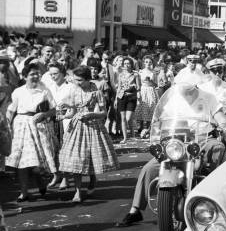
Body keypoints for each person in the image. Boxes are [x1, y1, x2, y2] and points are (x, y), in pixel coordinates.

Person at [116, 85, 226, 227]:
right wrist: (151, 128)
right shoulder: (174, 98)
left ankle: (220, 200)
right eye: (182, 88)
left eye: (189, 89)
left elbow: (221, 118)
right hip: (177, 142)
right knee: (149, 168)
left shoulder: (208, 97)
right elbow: (161, 118)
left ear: (195, 86)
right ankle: (135, 210)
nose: (185, 92)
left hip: (203, 139)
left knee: (218, 148)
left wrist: (224, 125)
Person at [59, 66, 118, 203]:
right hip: (77, 127)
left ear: (87, 79)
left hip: (93, 126)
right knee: (75, 159)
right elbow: (72, 110)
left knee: (90, 157)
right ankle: (78, 191)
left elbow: (103, 113)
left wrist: (92, 114)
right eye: (75, 79)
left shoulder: (96, 92)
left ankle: (92, 179)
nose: (77, 82)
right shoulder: (74, 91)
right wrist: (65, 115)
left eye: (79, 80)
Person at [5, 63, 58, 202]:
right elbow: (11, 109)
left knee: (37, 162)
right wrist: (7, 123)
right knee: (22, 162)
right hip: (21, 126)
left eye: (37, 74)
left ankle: (40, 181)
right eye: (32, 74)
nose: (35, 76)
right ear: (25, 76)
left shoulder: (44, 90)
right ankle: (24, 192)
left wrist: (44, 114)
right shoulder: (18, 91)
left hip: (38, 126)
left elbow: (54, 109)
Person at [115, 58, 141, 143]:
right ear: (123, 65)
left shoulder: (135, 74)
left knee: (128, 118)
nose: (127, 65)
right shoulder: (120, 75)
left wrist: (135, 88)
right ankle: (125, 138)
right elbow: (119, 87)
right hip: (121, 97)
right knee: (123, 118)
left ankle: (132, 135)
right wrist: (116, 99)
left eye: (128, 63)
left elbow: (138, 87)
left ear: (131, 64)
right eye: (125, 63)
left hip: (131, 97)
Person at [134, 56, 159, 138]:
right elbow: (138, 83)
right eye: (146, 62)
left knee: (150, 108)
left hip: (151, 90)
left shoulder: (153, 72)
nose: (148, 63)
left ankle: (148, 129)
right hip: (143, 90)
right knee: (141, 108)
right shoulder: (140, 72)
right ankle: (140, 128)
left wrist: (151, 81)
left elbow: (156, 84)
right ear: (144, 63)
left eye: (150, 62)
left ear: (152, 63)